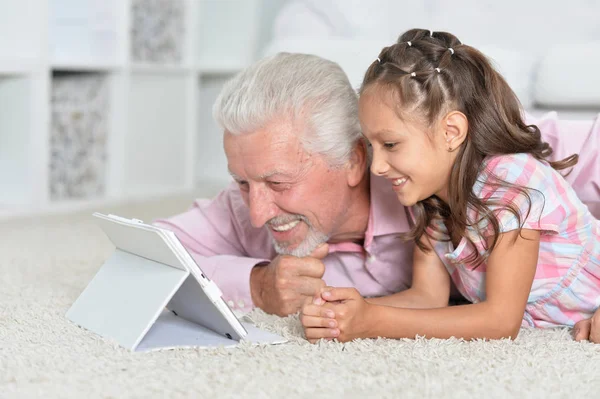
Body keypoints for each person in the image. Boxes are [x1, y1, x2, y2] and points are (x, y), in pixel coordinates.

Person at [153, 51, 600, 339]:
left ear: (353, 159)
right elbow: (146, 256)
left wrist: (374, 320)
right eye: (243, 182)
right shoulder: (433, 204)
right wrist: (255, 284)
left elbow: (500, 319)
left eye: (279, 183)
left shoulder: (485, 159)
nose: (256, 213)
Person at [300, 29, 600, 343]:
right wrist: (345, 311)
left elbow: (500, 322)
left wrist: (372, 321)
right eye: (374, 147)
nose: (376, 168)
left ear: (451, 132)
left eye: (390, 143)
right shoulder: (431, 197)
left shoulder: (512, 181)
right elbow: (426, 298)